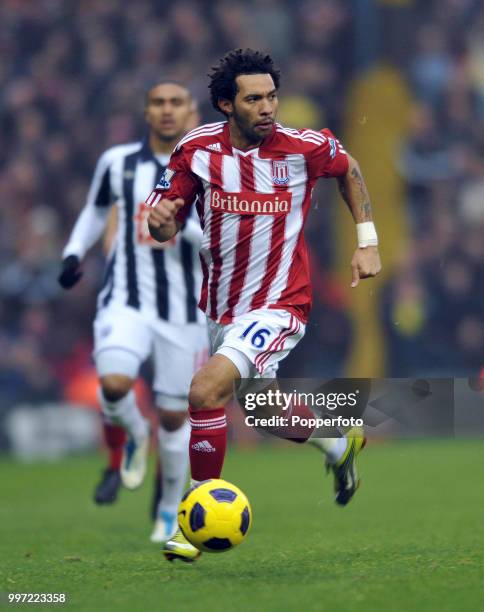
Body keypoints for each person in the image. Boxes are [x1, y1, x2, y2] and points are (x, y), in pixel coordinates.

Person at [146, 49, 382, 562]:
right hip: (220, 308)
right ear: (227, 104)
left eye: (272, 95)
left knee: (205, 391)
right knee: (263, 410)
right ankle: (338, 443)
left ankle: (194, 520)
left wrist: (367, 241)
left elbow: (351, 169)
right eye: (255, 99)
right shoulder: (196, 150)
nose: (269, 107)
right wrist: (160, 221)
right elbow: (161, 219)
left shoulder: (303, 147)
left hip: (280, 304)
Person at [58, 82, 208, 543]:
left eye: (176, 103)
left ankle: (168, 511)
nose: (167, 111)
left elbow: (220, 237)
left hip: (184, 310)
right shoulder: (117, 163)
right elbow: (94, 211)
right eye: (159, 103)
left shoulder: (209, 165)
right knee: (114, 382)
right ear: (146, 112)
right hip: (124, 298)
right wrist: (72, 254)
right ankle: (132, 432)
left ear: (191, 111)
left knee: (174, 418)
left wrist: (177, 227)